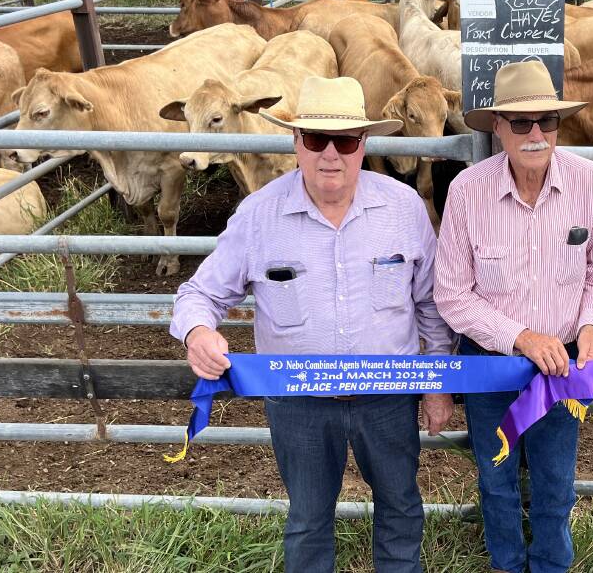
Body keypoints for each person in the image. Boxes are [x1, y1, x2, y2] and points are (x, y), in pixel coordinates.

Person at [169, 76, 454, 573]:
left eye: (344, 141)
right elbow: (200, 292)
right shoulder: (259, 214)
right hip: (298, 398)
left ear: (364, 143)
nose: (330, 154)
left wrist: (436, 384)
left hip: (388, 393)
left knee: (402, 505)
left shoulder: (405, 208)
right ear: (295, 141)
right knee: (306, 516)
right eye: (315, 139)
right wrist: (198, 332)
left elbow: (429, 303)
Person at [433, 60, 593, 573]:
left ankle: (552, 564)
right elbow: (450, 294)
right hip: (493, 364)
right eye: (520, 123)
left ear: (559, 124)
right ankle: (508, 564)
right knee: (496, 477)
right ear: (498, 127)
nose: (536, 134)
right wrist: (520, 337)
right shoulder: (468, 190)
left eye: (547, 122)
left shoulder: (589, 181)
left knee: (557, 480)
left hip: (563, 361)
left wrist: (590, 328)